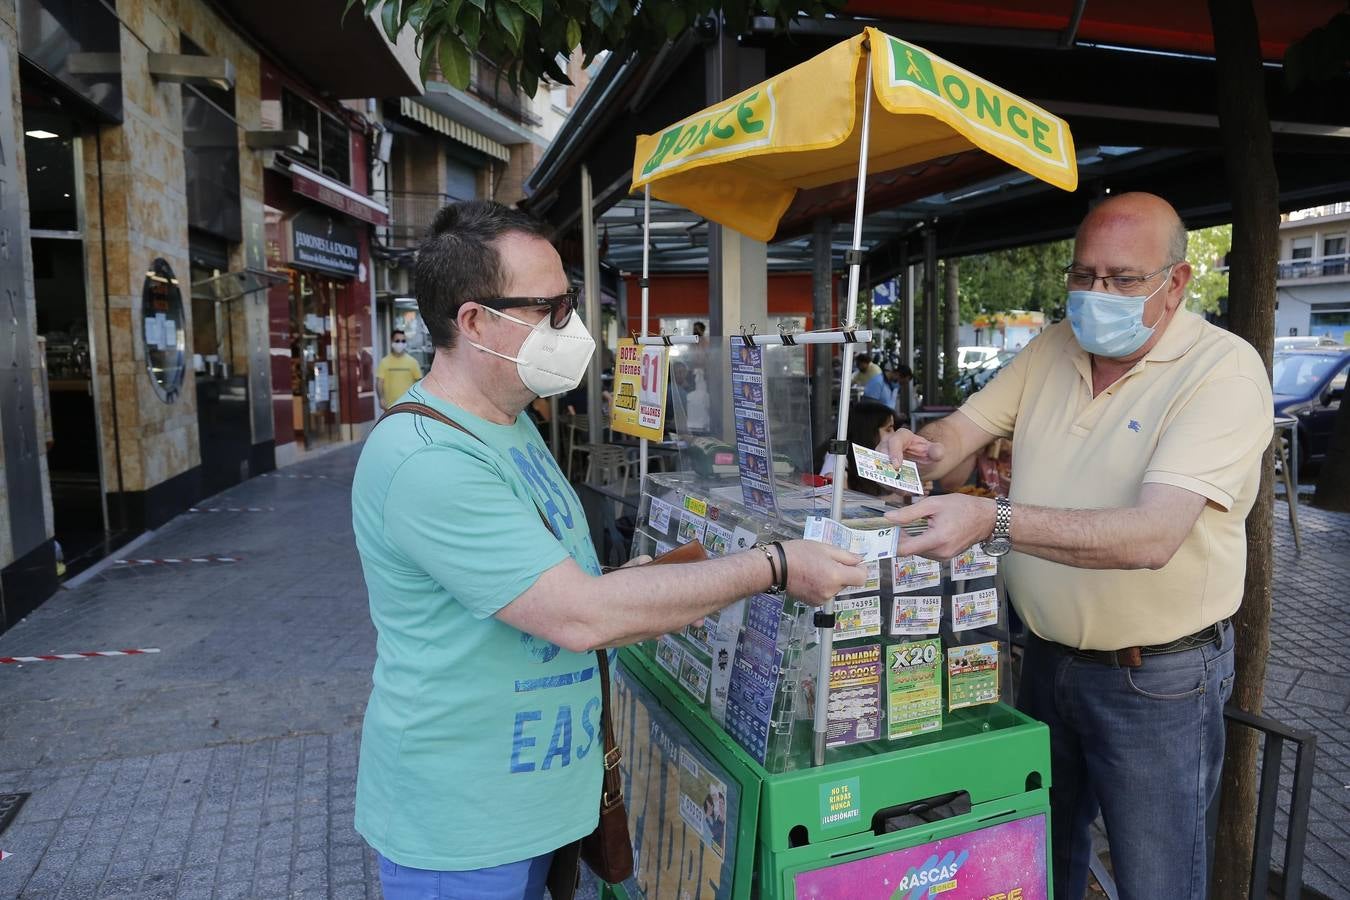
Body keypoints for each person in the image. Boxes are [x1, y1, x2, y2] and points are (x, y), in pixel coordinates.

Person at [350, 200, 868, 900]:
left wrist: (656, 576)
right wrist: (770, 567)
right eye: (551, 308)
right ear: (474, 321)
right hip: (465, 831)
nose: (573, 326)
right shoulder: (427, 458)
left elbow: (559, 581)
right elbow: (578, 616)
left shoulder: (509, 422)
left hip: (540, 810)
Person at [880, 192, 1271, 900]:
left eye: (1122, 279)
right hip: (1046, 659)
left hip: (1156, 681)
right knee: (1038, 863)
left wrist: (992, 520)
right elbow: (958, 439)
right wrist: (915, 451)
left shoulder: (1224, 371)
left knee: (1155, 881)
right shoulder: (1056, 344)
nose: (1096, 295)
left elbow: (1153, 536)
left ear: (1175, 283)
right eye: (1082, 274)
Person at [817, 400, 898, 496]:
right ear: (868, 432)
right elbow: (835, 498)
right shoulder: (838, 455)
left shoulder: (879, 459)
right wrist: (893, 499)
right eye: (888, 429)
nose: (894, 434)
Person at [375, 329, 422, 411]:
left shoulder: (413, 362)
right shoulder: (384, 362)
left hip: (409, 406)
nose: (400, 343)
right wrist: (381, 398)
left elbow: (420, 383)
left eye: (403, 341)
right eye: (397, 341)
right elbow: (379, 382)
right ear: (391, 342)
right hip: (389, 407)